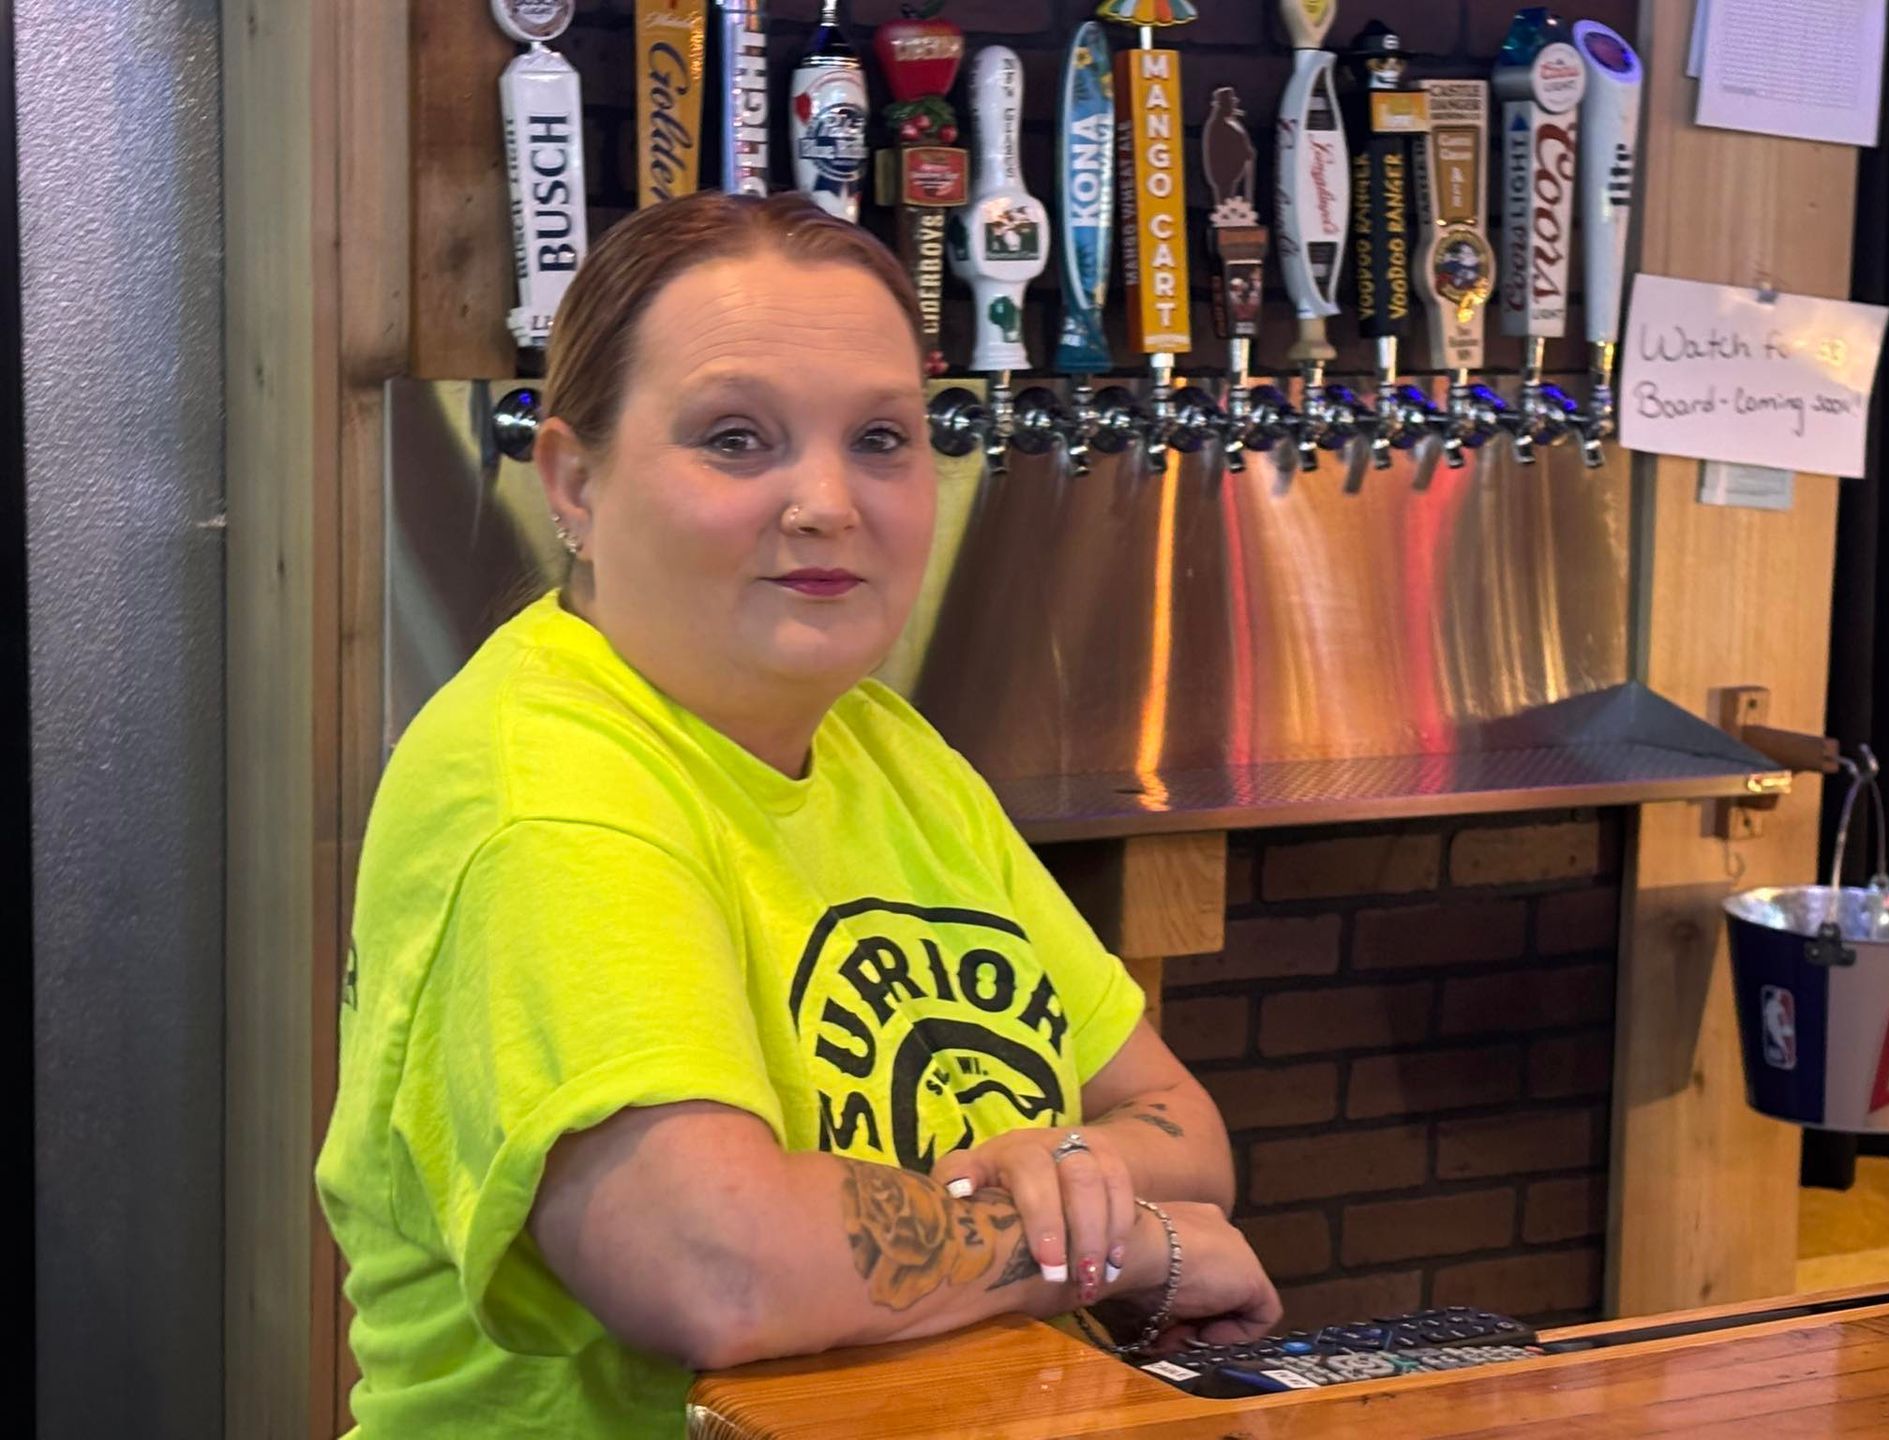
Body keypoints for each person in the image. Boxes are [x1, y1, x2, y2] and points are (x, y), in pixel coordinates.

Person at [316, 191, 1281, 1439]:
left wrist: (1074, 1180)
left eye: (880, 438)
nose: (827, 500)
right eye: (735, 438)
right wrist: (1111, 1247)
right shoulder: (546, 788)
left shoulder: (889, 751)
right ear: (574, 481)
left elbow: (1182, 1128)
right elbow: (714, 1266)